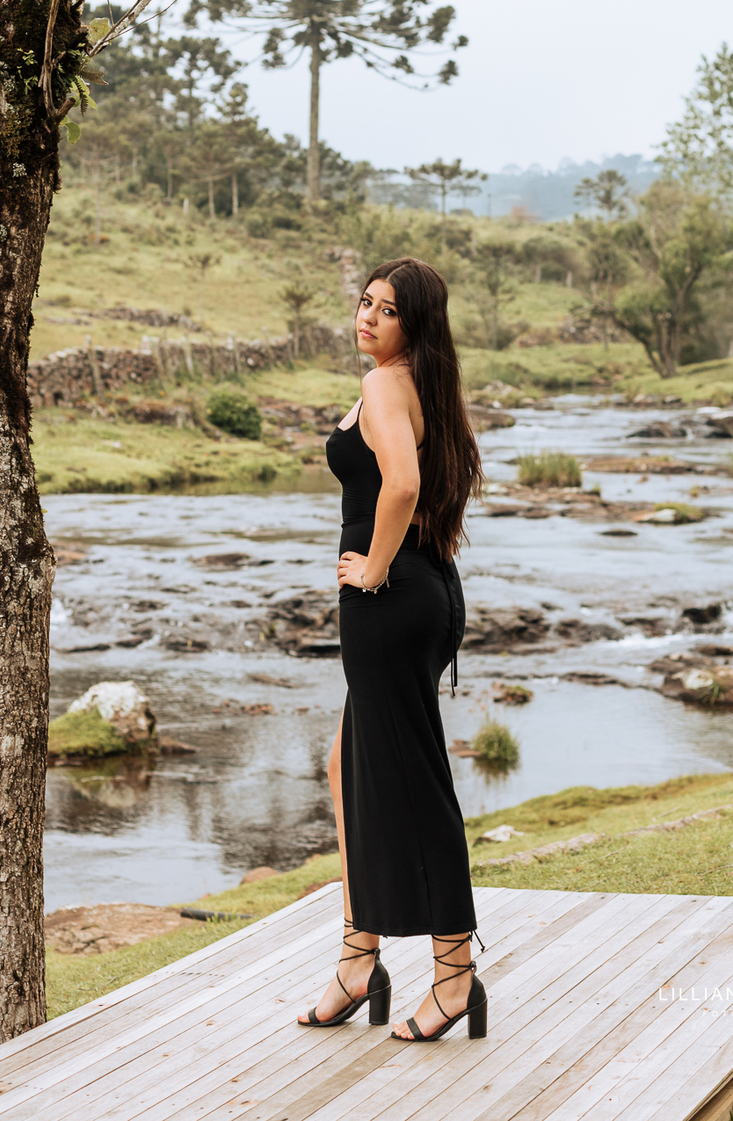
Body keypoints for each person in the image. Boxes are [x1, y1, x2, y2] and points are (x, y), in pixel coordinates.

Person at [296, 257, 487, 1043]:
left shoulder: (384, 386)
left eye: (387, 309)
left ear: (416, 323)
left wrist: (372, 568)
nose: (367, 317)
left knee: (415, 784)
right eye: (364, 302)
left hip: (389, 600)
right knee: (352, 772)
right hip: (425, 593)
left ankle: (454, 976)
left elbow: (400, 488)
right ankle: (357, 958)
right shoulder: (416, 383)